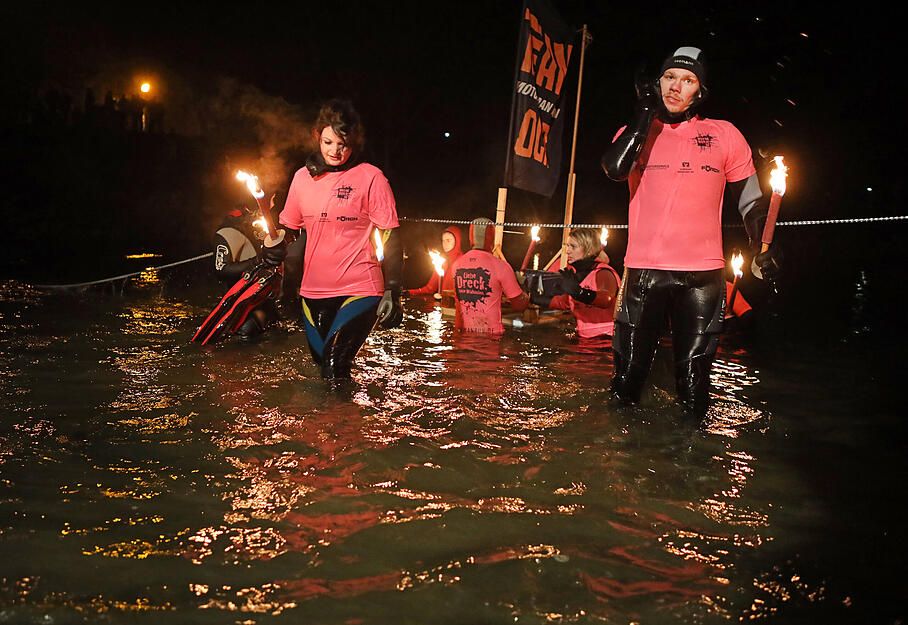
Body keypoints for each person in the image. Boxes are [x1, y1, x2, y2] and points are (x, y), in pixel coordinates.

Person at [600, 46, 782, 417]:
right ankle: (619, 461)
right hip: (643, 273)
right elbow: (615, 168)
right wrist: (643, 115)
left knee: (694, 384)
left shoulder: (725, 134)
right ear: (656, 82)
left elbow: (751, 202)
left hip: (702, 278)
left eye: (687, 80)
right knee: (626, 381)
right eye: (669, 77)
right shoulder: (635, 132)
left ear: (700, 91)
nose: (675, 87)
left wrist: (763, 245)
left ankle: (693, 465)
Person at [275, 99, 403, 381]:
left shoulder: (371, 177)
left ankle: (347, 425)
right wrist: (285, 283)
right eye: (328, 141)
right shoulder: (301, 178)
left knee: (335, 368)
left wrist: (393, 289)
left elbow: (391, 234)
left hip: (359, 289)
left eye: (342, 143)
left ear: (354, 141)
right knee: (324, 370)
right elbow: (291, 233)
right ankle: (327, 425)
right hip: (312, 293)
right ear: (317, 136)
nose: (335, 150)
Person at [527, 228, 620, 338]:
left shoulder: (603, 272)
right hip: (586, 339)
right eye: (567, 246)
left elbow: (606, 300)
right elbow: (564, 303)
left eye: (573, 247)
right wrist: (531, 297)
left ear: (589, 250)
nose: (567, 251)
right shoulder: (577, 275)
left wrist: (577, 292)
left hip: (607, 338)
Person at [451, 218, 528, 334]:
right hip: (490, 337)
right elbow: (519, 304)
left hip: (462, 335)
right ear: (492, 237)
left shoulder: (456, 265)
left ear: (471, 237)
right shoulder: (501, 266)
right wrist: (524, 289)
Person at [211, 204, 279, 337]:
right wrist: (256, 261)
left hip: (264, 296)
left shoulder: (260, 225)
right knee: (247, 331)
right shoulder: (228, 231)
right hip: (242, 303)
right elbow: (222, 269)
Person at [407, 225, 464, 296]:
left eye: (448, 240)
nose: (445, 244)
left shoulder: (463, 262)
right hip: (444, 305)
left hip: (457, 306)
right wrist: (408, 292)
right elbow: (430, 288)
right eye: (443, 240)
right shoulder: (441, 262)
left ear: (457, 241)